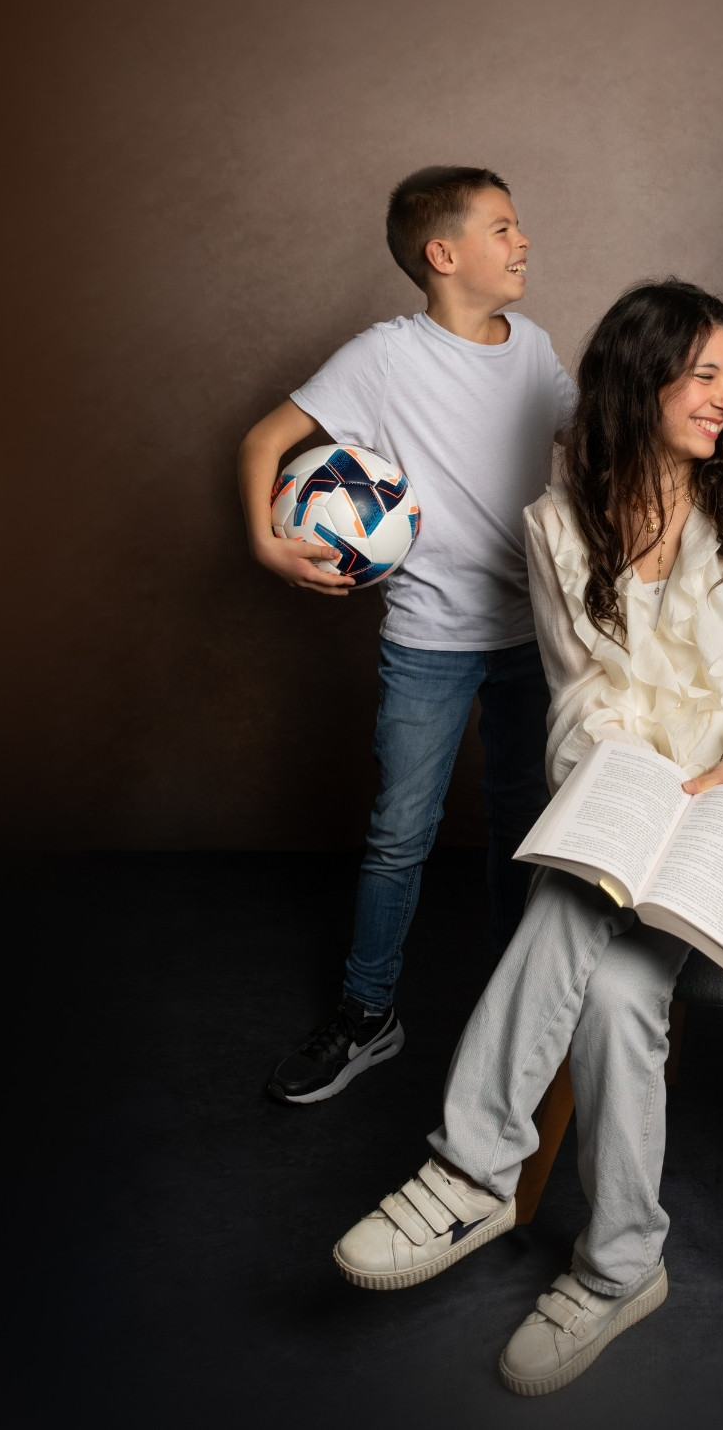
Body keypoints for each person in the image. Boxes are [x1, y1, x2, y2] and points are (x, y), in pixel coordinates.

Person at [331, 281, 723, 1395]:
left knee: (572, 907)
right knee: (615, 987)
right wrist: (649, 789)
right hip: (650, 790)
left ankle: (470, 1168)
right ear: (640, 375)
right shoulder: (557, 525)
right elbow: (579, 703)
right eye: (701, 374)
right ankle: (624, 1268)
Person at [237, 166, 576, 1104]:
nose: (524, 241)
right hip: (428, 640)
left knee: (526, 830)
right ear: (444, 254)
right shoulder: (382, 359)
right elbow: (262, 442)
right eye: (504, 227)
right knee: (399, 835)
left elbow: (591, 447)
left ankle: (522, 1014)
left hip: (533, 641)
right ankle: (367, 1013)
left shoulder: (536, 347)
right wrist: (271, 550)